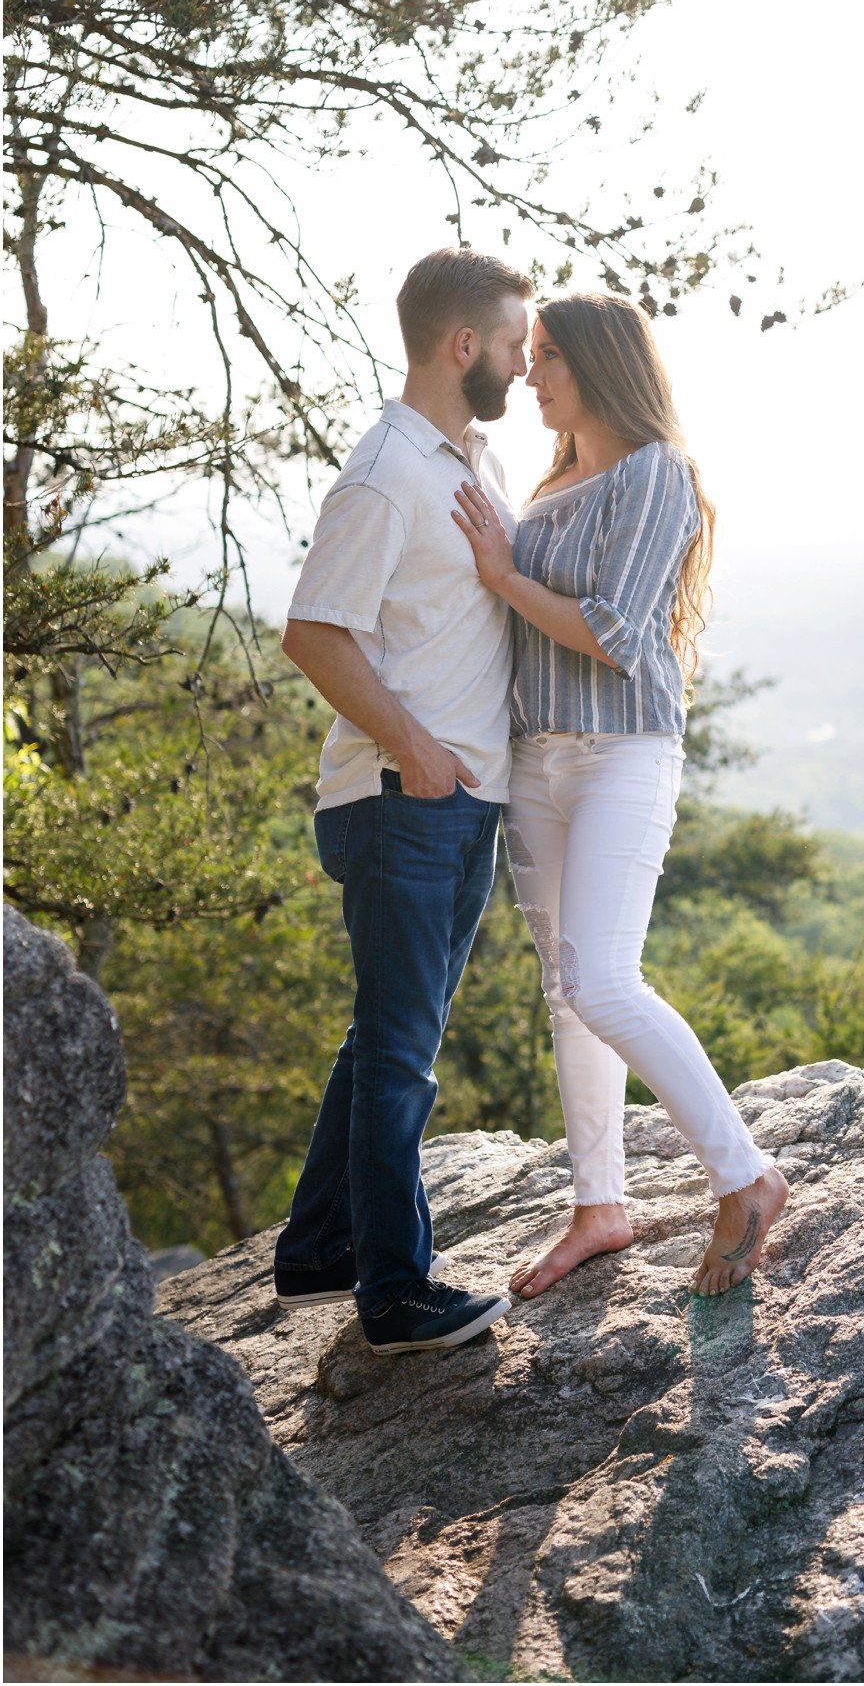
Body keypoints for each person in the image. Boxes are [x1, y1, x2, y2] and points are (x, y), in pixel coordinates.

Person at [450, 291, 789, 1299]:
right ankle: (600, 1208)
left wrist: (502, 576)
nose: (528, 371)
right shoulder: (553, 481)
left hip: (621, 754)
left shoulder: (656, 473)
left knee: (602, 978)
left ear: (597, 363)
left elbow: (614, 633)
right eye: (531, 352)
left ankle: (747, 1176)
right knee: (566, 993)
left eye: (547, 355)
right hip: (535, 760)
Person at [272, 246, 532, 1354]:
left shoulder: (464, 461)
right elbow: (312, 630)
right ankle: (394, 1292)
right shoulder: (386, 472)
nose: (526, 364)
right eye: (516, 343)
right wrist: (415, 748)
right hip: (402, 798)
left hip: (455, 801)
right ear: (462, 345)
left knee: (386, 1034)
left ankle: (319, 1248)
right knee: (398, 1056)